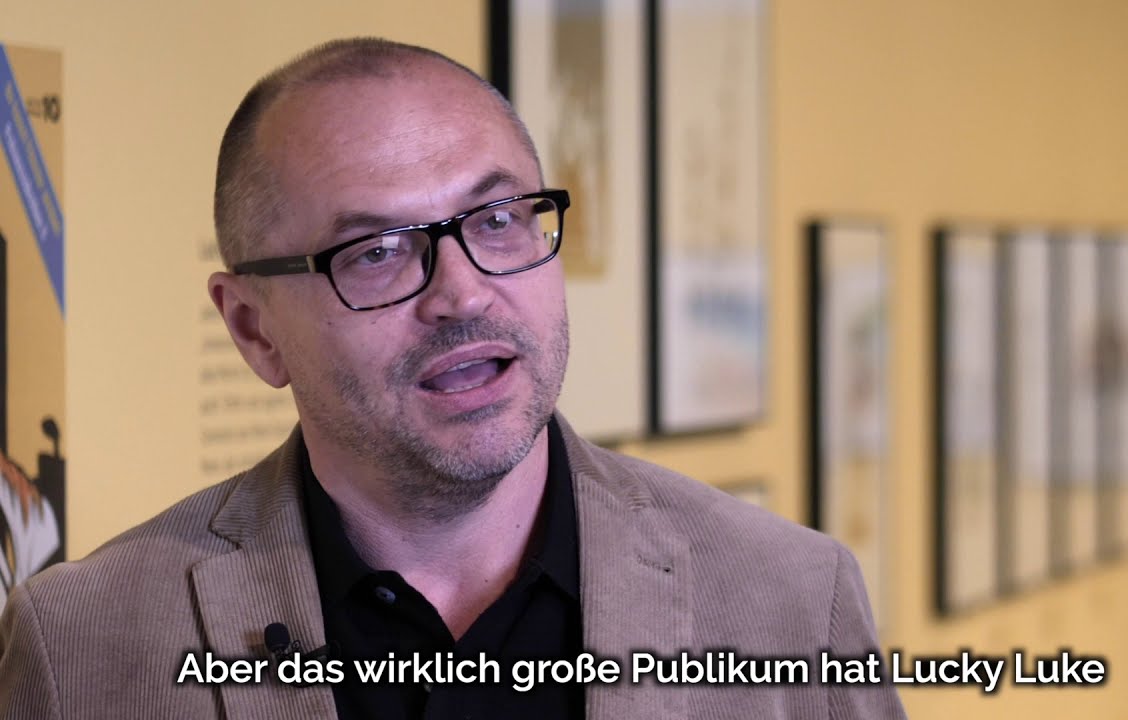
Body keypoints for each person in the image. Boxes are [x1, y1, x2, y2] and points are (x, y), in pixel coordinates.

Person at [0, 38, 905, 719]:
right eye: (377, 251)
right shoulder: (85, 642)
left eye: (499, 219)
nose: (463, 293)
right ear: (253, 329)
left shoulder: (793, 596)